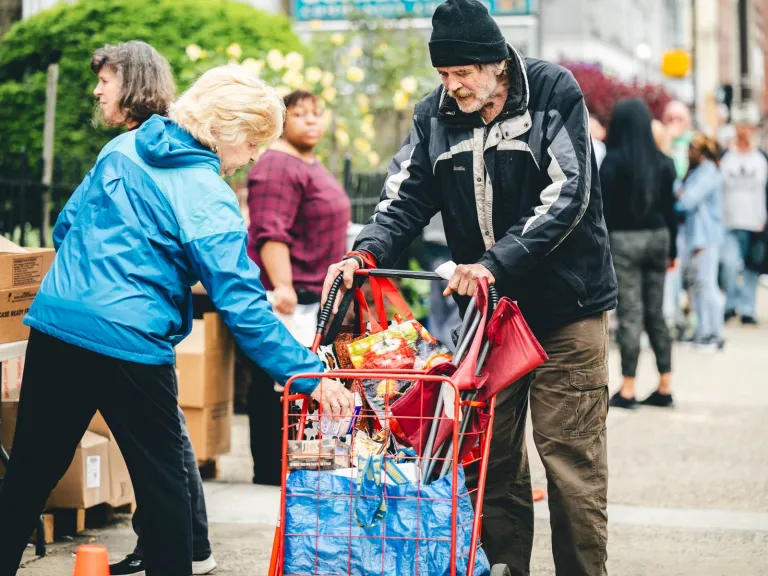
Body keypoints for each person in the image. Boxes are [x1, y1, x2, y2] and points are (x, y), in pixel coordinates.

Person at [0, 64, 352, 576]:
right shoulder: (207, 194)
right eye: (253, 141)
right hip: (131, 343)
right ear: (226, 129)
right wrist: (308, 374)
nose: (254, 156)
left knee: (30, 472)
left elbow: (66, 226)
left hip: (60, 324)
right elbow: (242, 304)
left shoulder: (122, 148)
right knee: (163, 485)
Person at [322, 0, 618, 573]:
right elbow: (404, 198)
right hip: (490, 319)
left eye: (462, 72)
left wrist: (492, 264)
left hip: (566, 310)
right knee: (489, 457)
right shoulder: (433, 115)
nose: (451, 85)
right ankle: (503, 568)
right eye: (443, 73)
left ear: (496, 63)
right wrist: (365, 252)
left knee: (570, 461)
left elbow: (568, 193)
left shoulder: (553, 91)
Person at [82, 39, 215, 576]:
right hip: (144, 315)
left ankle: (182, 547)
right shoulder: (164, 146)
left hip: (127, 317)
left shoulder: (133, 149)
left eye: (105, 80)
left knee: (162, 443)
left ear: (132, 83)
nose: (97, 91)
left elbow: (73, 225)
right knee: (166, 438)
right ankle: (186, 546)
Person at [246, 89, 350, 485]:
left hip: (314, 298)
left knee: (301, 383)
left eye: (316, 113)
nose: (310, 120)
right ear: (282, 121)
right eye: (299, 113)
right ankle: (273, 471)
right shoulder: (277, 165)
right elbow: (271, 231)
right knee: (281, 383)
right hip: (290, 298)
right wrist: (282, 286)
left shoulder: (308, 162)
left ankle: (300, 467)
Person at [600, 99, 677, 410]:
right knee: (656, 313)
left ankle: (629, 388)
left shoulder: (612, 164)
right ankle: (665, 385)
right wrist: (673, 250)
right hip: (659, 238)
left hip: (624, 241)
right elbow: (670, 211)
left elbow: (603, 214)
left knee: (631, 314)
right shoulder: (664, 163)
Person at [676, 134, 725, 351]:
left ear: (703, 152)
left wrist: (679, 193)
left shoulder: (709, 172)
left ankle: (714, 333)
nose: (688, 152)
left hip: (706, 238)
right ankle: (702, 330)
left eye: (692, 148)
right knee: (697, 286)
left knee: (707, 285)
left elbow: (686, 201)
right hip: (694, 238)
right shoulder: (695, 172)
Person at [719, 120, 768, 325]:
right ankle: (731, 303)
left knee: (751, 268)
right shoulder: (726, 158)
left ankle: (748, 308)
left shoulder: (761, 159)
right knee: (729, 265)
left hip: (756, 223)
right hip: (729, 222)